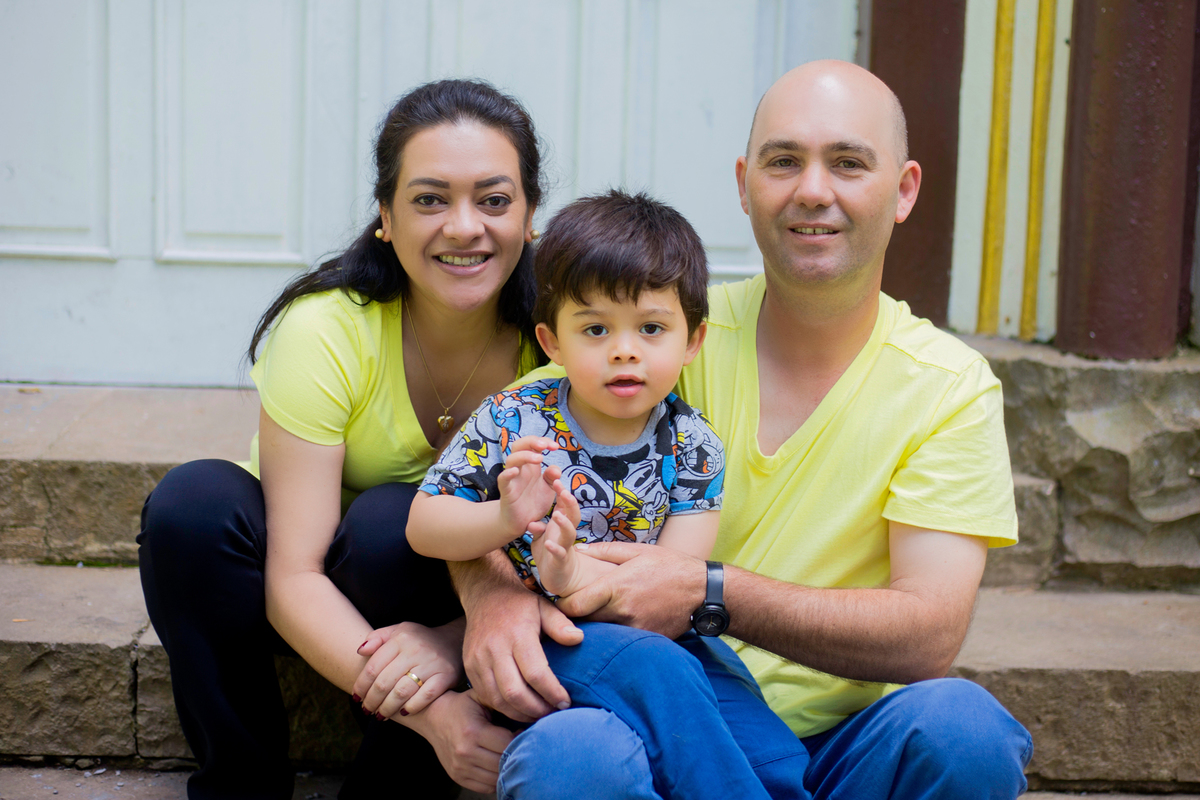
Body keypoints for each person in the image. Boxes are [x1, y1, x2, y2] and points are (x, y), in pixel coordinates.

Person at [452, 61, 1034, 799]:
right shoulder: (656, 333)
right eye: (784, 161)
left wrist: (710, 591)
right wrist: (492, 594)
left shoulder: (947, 387)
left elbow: (928, 634)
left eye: (849, 163)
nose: (813, 190)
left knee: (965, 728)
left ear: (905, 190)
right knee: (571, 757)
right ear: (744, 182)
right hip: (647, 733)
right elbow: (483, 478)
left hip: (842, 749)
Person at [137, 78, 564, 799]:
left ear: (529, 217)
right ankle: (241, 784)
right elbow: (294, 574)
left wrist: (449, 644)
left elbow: (590, 548)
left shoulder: (561, 341)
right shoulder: (326, 329)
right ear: (385, 220)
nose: (464, 227)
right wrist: (438, 716)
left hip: (460, 598)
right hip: (303, 593)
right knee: (191, 508)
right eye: (430, 199)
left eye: (493, 200)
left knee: (393, 522)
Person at [408, 190, 811, 799]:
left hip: (661, 639)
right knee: (661, 679)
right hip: (549, 641)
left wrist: (571, 568)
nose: (625, 349)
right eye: (595, 328)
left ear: (693, 341)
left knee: (769, 751)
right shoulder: (515, 420)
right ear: (551, 342)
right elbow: (423, 523)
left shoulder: (692, 444)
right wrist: (505, 516)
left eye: (651, 328)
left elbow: (674, 578)